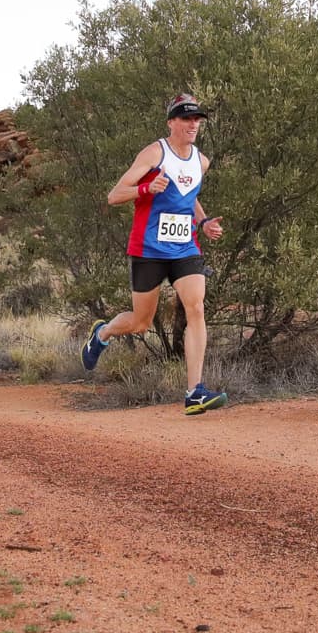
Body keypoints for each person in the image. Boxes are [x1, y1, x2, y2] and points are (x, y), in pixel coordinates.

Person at [81, 93, 228, 415]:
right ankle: (102, 333)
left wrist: (202, 222)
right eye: (186, 118)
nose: (193, 124)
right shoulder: (154, 153)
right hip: (149, 249)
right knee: (140, 323)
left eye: (197, 119)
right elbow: (114, 195)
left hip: (185, 248)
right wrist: (146, 189)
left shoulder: (201, 161)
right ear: (171, 122)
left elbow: (189, 197)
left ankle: (195, 393)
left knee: (196, 308)